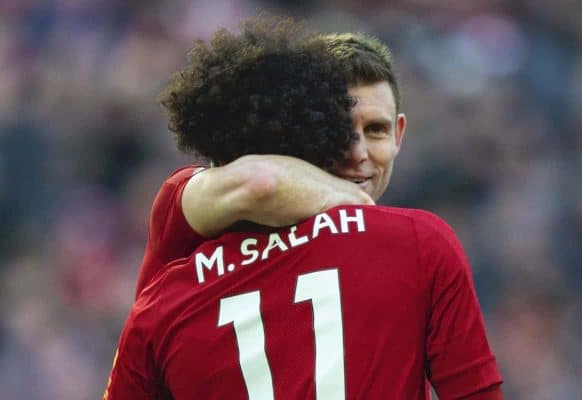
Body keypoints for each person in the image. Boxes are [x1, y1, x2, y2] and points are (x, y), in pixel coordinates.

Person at [107, 16, 503, 399]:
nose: (360, 154)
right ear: (309, 136)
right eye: (343, 132)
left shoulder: (164, 300)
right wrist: (356, 209)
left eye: (376, 130)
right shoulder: (418, 244)